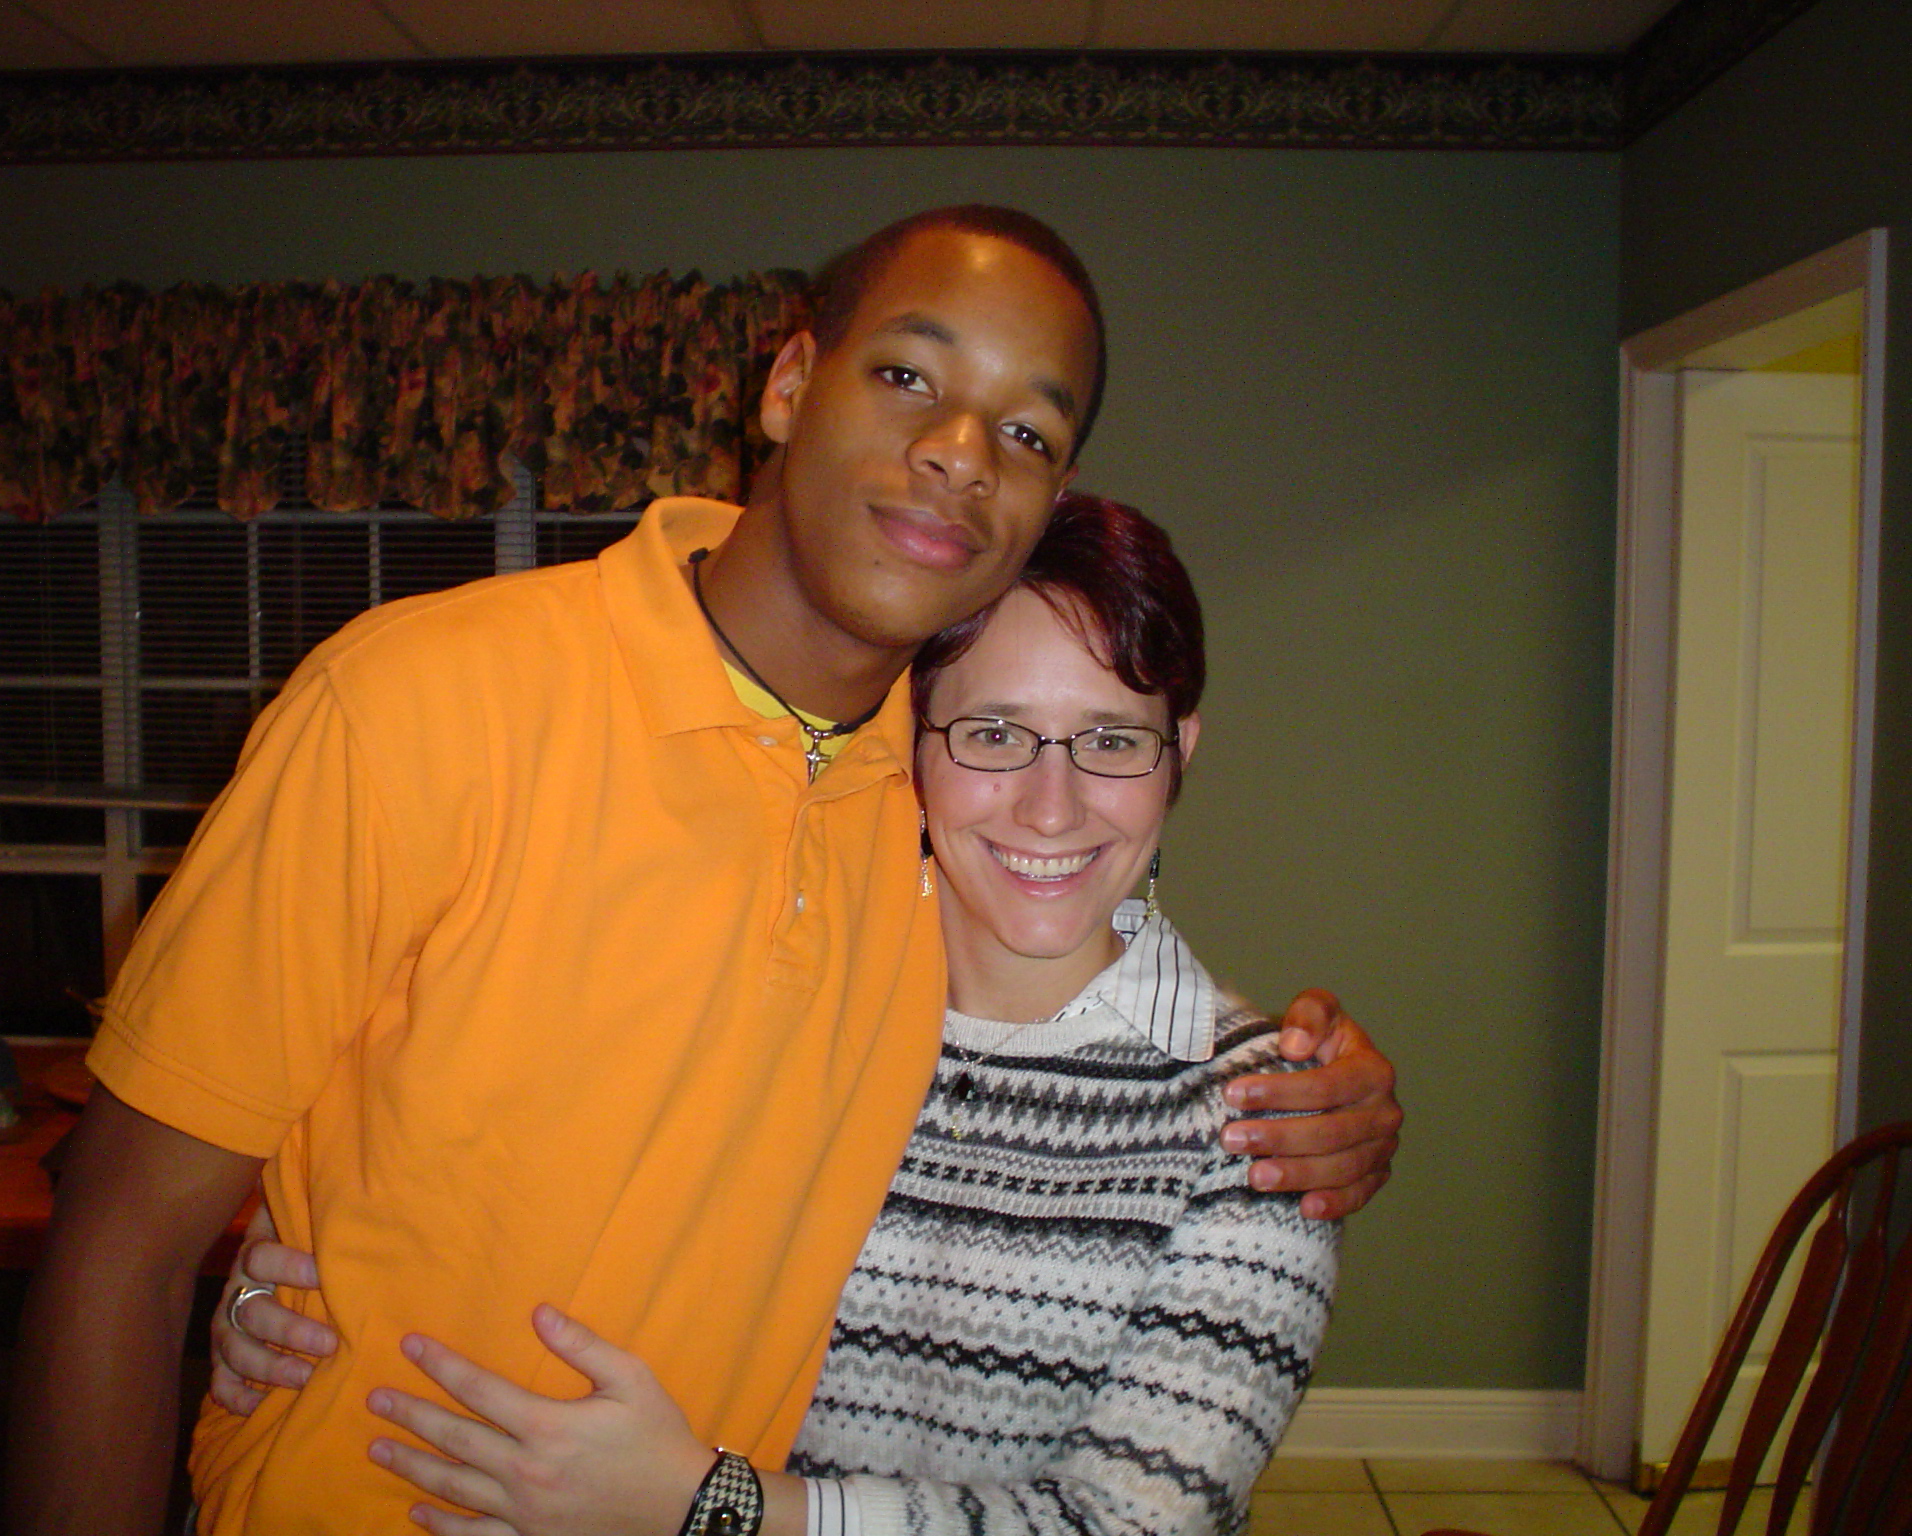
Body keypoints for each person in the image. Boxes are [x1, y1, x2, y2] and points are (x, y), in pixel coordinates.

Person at [9, 206, 1398, 1535]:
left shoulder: (929, 801)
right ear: (788, 385)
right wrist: (262, 1263)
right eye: (908, 375)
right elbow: (121, 1240)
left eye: (1025, 432)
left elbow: (1069, 884)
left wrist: (1317, 1091)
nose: (960, 452)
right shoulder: (417, 703)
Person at [213, 493, 1336, 1536]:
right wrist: (284, 1267)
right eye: (993, 733)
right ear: (912, 748)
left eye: (1111, 740)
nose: (1052, 806)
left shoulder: (1264, 1118)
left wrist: (708, 1507)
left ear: (1178, 756)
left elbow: (1136, 1523)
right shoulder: (808, 999)